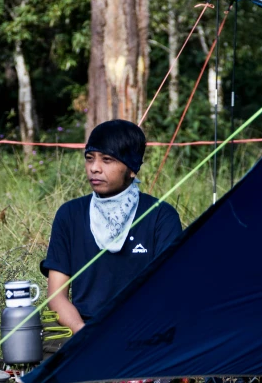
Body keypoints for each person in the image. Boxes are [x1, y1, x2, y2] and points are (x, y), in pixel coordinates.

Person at [41, 119, 183, 355]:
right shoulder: (70, 214)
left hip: (140, 329)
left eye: (107, 160)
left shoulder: (160, 215)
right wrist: (81, 331)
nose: (95, 168)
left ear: (131, 168)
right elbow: (57, 297)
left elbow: (168, 293)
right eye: (90, 158)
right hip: (82, 328)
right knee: (39, 334)